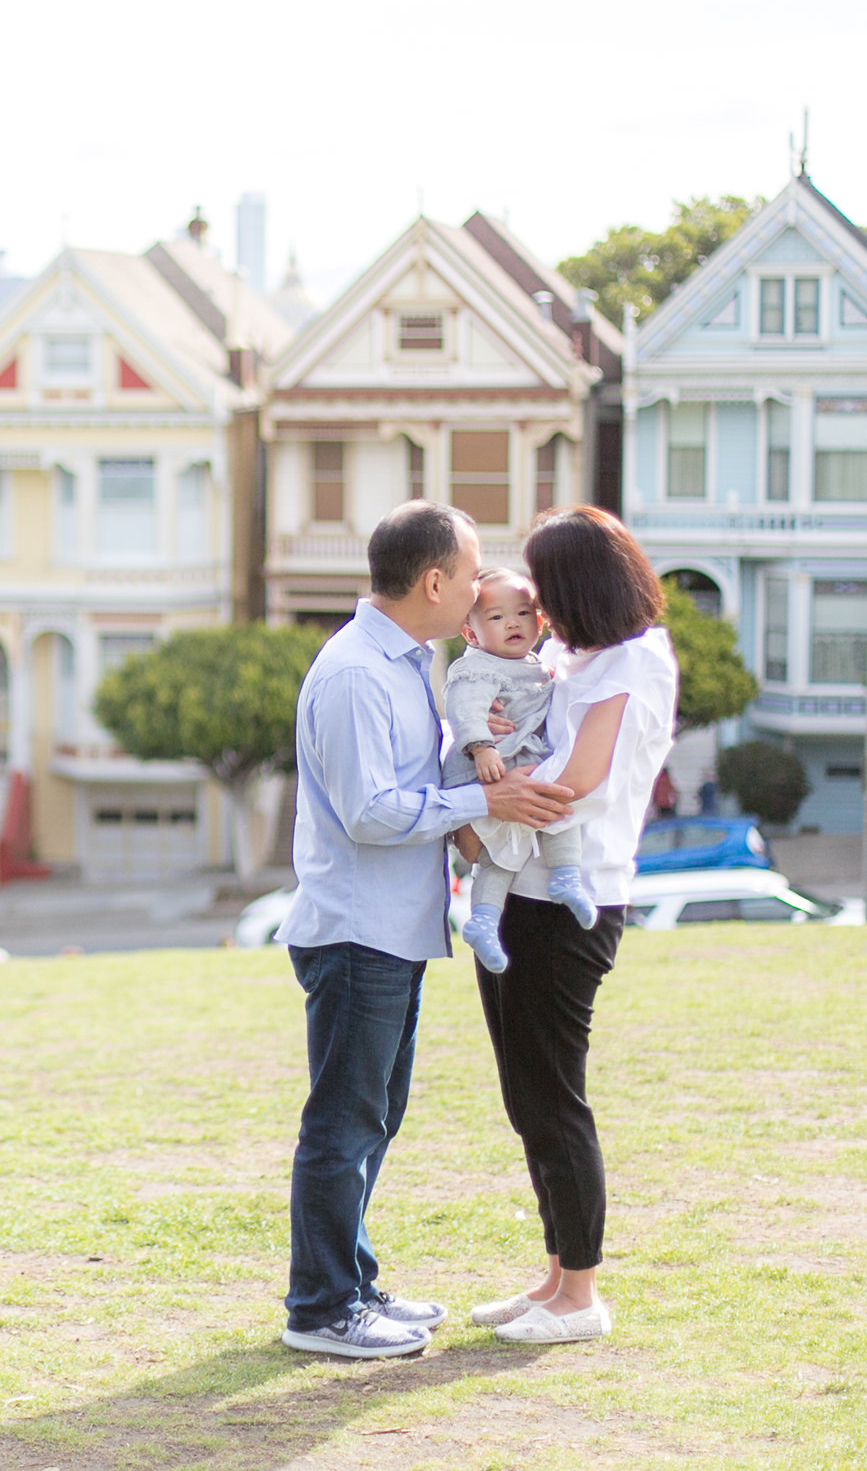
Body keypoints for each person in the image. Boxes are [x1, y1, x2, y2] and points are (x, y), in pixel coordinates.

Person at [277, 501, 573, 1360]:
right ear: (435, 581)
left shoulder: (414, 660)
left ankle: (354, 1284)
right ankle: (322, 1307)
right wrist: (488, 799)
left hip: (396, 930)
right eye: (475, 571)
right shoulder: (355, 674)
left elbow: (426, 776)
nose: (485, 586)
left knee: (375, 1114)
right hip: (355, 931)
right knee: (343, 1121)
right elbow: (371, 813)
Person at [461, 507, 679, 1347]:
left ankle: (581, 1294)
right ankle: (554, 1277)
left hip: (570, 896)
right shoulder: (569, 655)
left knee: (555, 1094)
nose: (535, 604)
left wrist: (477, 814)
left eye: (546, 586)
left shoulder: (632, 659)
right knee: (526, 1093)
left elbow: (579, 779)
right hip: (522, 888)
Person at [440, 568, 595, 972]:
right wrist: (481, 746)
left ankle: (561, 878)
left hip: (521, 760)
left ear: (540, 622)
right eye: (496, 617)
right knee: (499, 851)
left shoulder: (538, 666)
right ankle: (487, 919)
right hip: (489, 766)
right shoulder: (477, 667)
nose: (512, 623)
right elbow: (465, 709)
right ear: (470, 633)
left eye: (524, 613)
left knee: (550, 821)